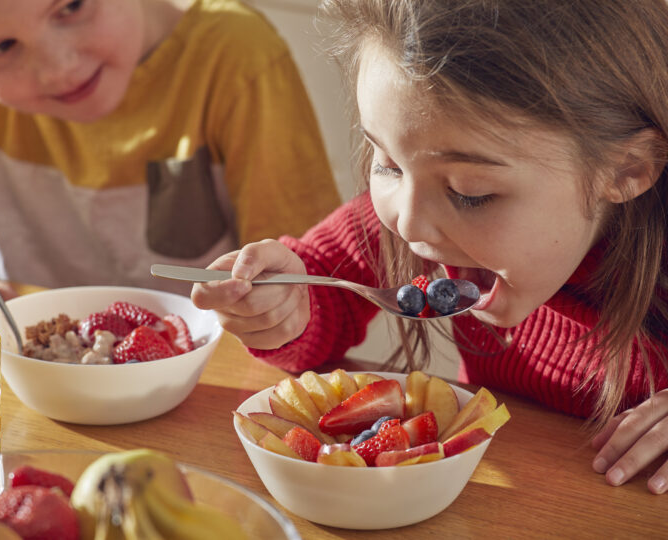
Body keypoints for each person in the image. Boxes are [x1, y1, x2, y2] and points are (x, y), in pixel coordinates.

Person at [191, 0, 668, 494]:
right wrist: (283, 307)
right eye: (388, 164)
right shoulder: (426, 211)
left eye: (470, 192)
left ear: (626, 169)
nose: (410, 222)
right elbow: (324, 289)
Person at [0, 0, 341, 321]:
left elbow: (313, 288)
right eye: (0, 48)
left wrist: (278, 309)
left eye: (71, 7)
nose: (59, 69)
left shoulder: (237, 56)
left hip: (209, 389)